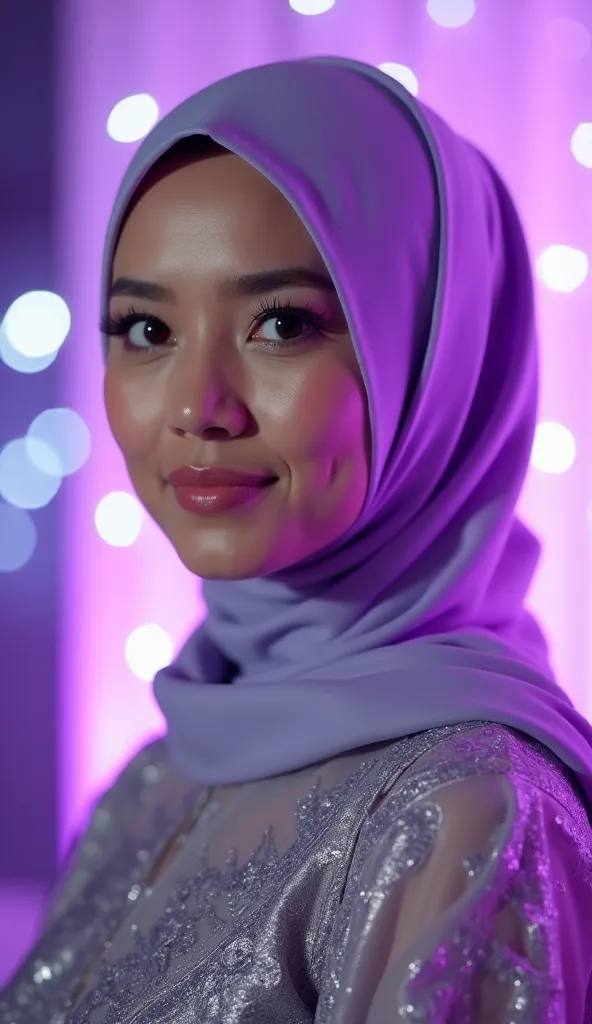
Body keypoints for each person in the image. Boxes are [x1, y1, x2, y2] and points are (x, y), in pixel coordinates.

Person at [2, 55, 592, 1023]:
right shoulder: (154, 776)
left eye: (281, 322)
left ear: (435, 361)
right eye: (146, 329)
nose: (199, 406)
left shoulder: (465, 812)